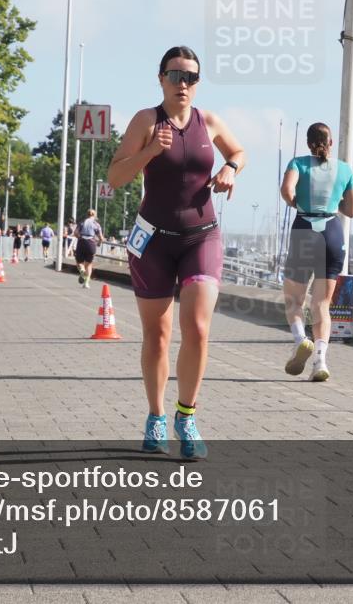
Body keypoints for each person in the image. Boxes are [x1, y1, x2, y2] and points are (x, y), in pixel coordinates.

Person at [108, 45, 245, 460]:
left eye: (190, 77)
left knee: (198, 328)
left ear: (197, 83)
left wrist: (230, 168)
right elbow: (115, 176)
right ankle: (155, 415)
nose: (182, 84)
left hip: (201, 237)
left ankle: (187, 416)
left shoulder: (210, 121)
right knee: (158, 335)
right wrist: (150, 151)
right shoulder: (146, 120)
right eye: (175, 75)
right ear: (161, 78)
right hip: (153, 240)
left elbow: (238, 151)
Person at [280, 123, 353, 382]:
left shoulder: (298, 163)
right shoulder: (345, 169)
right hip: (332, 232)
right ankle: (320, 360)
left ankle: (301, 340)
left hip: (304, 230)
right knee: (322, 304)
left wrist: (298, 203)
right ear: (331, 143)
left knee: (294, 300)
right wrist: (333, 201)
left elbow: (286, 191)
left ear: (308, 143)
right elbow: (351, 210)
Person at [74, 210, 103, 288]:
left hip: (81, 242)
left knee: (79, 262)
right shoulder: (96, 224)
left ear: (87, 215)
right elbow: (101, 238)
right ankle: (86, 283)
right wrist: (99, 243)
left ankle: (82, 271)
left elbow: (75, 233)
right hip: (91, 244)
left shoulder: (82, 223)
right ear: (95, 215)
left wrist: (80, 237)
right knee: (89, 264)